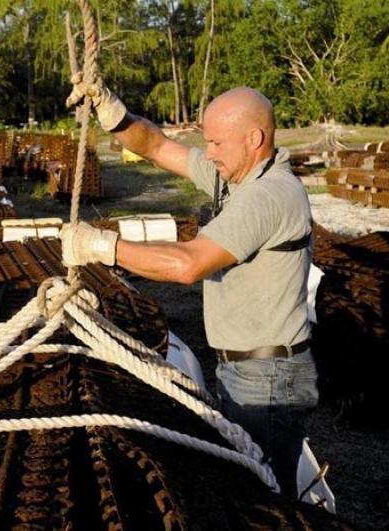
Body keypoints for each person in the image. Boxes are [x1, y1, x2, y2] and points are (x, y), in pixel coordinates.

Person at [62, 76, 317, 498]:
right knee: (247, 483)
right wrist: (113, 111)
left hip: (267, 379)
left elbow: (188, 264)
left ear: (254, 139)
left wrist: (102, 246)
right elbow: (157, 146)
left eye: (216, 143)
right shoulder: (236, 177)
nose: (208, 152)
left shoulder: (269, 196)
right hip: (246, 367)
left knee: (265, 499)